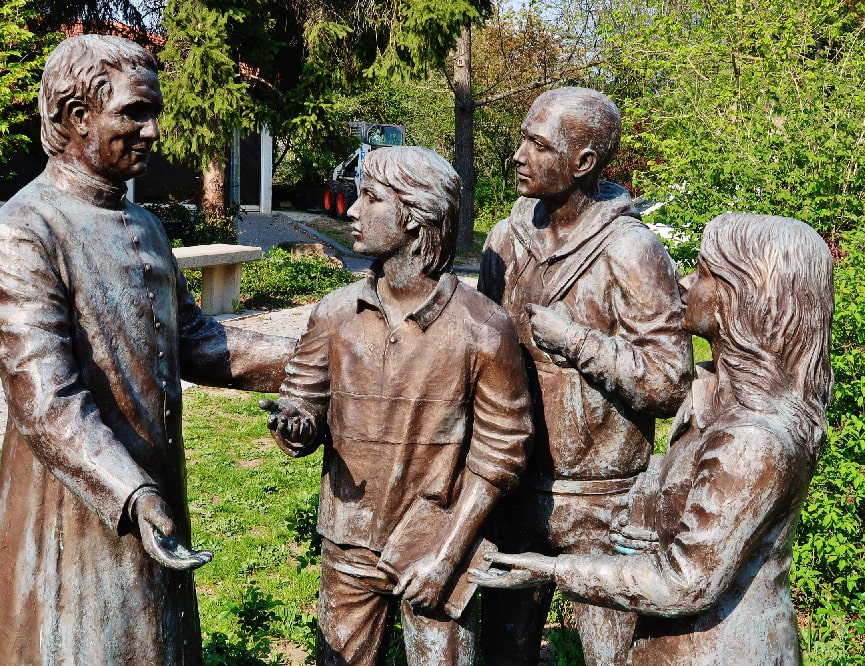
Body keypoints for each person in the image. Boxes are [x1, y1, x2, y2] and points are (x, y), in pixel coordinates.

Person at [0, 35, 295, 665]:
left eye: (154, 114)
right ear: (76, 117)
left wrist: (308, 359)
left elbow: (194, 339)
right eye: (134, 114)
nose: (152, 132)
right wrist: (131, 492)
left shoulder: (144, 224)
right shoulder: (21, 231)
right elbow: (46, 401)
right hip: (74, 503)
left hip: (150, 488)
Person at [472, 213, 833, 665]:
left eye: (702, 272)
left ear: (742, 299)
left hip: (718, 652)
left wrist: (551, 570)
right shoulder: (712, 394)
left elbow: (685, 582)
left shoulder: (754, 438)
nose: (683, 283)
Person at [262, 146, 533, 665]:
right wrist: (296, 424)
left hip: (437, 546)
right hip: (350, 540)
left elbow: (502, 456)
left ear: (413, 216)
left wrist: (447, 555)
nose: (352, 211)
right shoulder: (336, 313)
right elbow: (304, 398)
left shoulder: (483, 328)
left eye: (370, 197)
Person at [477, 87, 692, 665]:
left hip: (602, 502)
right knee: (501, 650)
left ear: (584, 164)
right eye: (523, 138)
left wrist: (576, 343)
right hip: (514, 487)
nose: (519, 154)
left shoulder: (632, 249)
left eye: (538, 144)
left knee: (611, 657)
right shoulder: (504, 239)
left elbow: (670, 381)